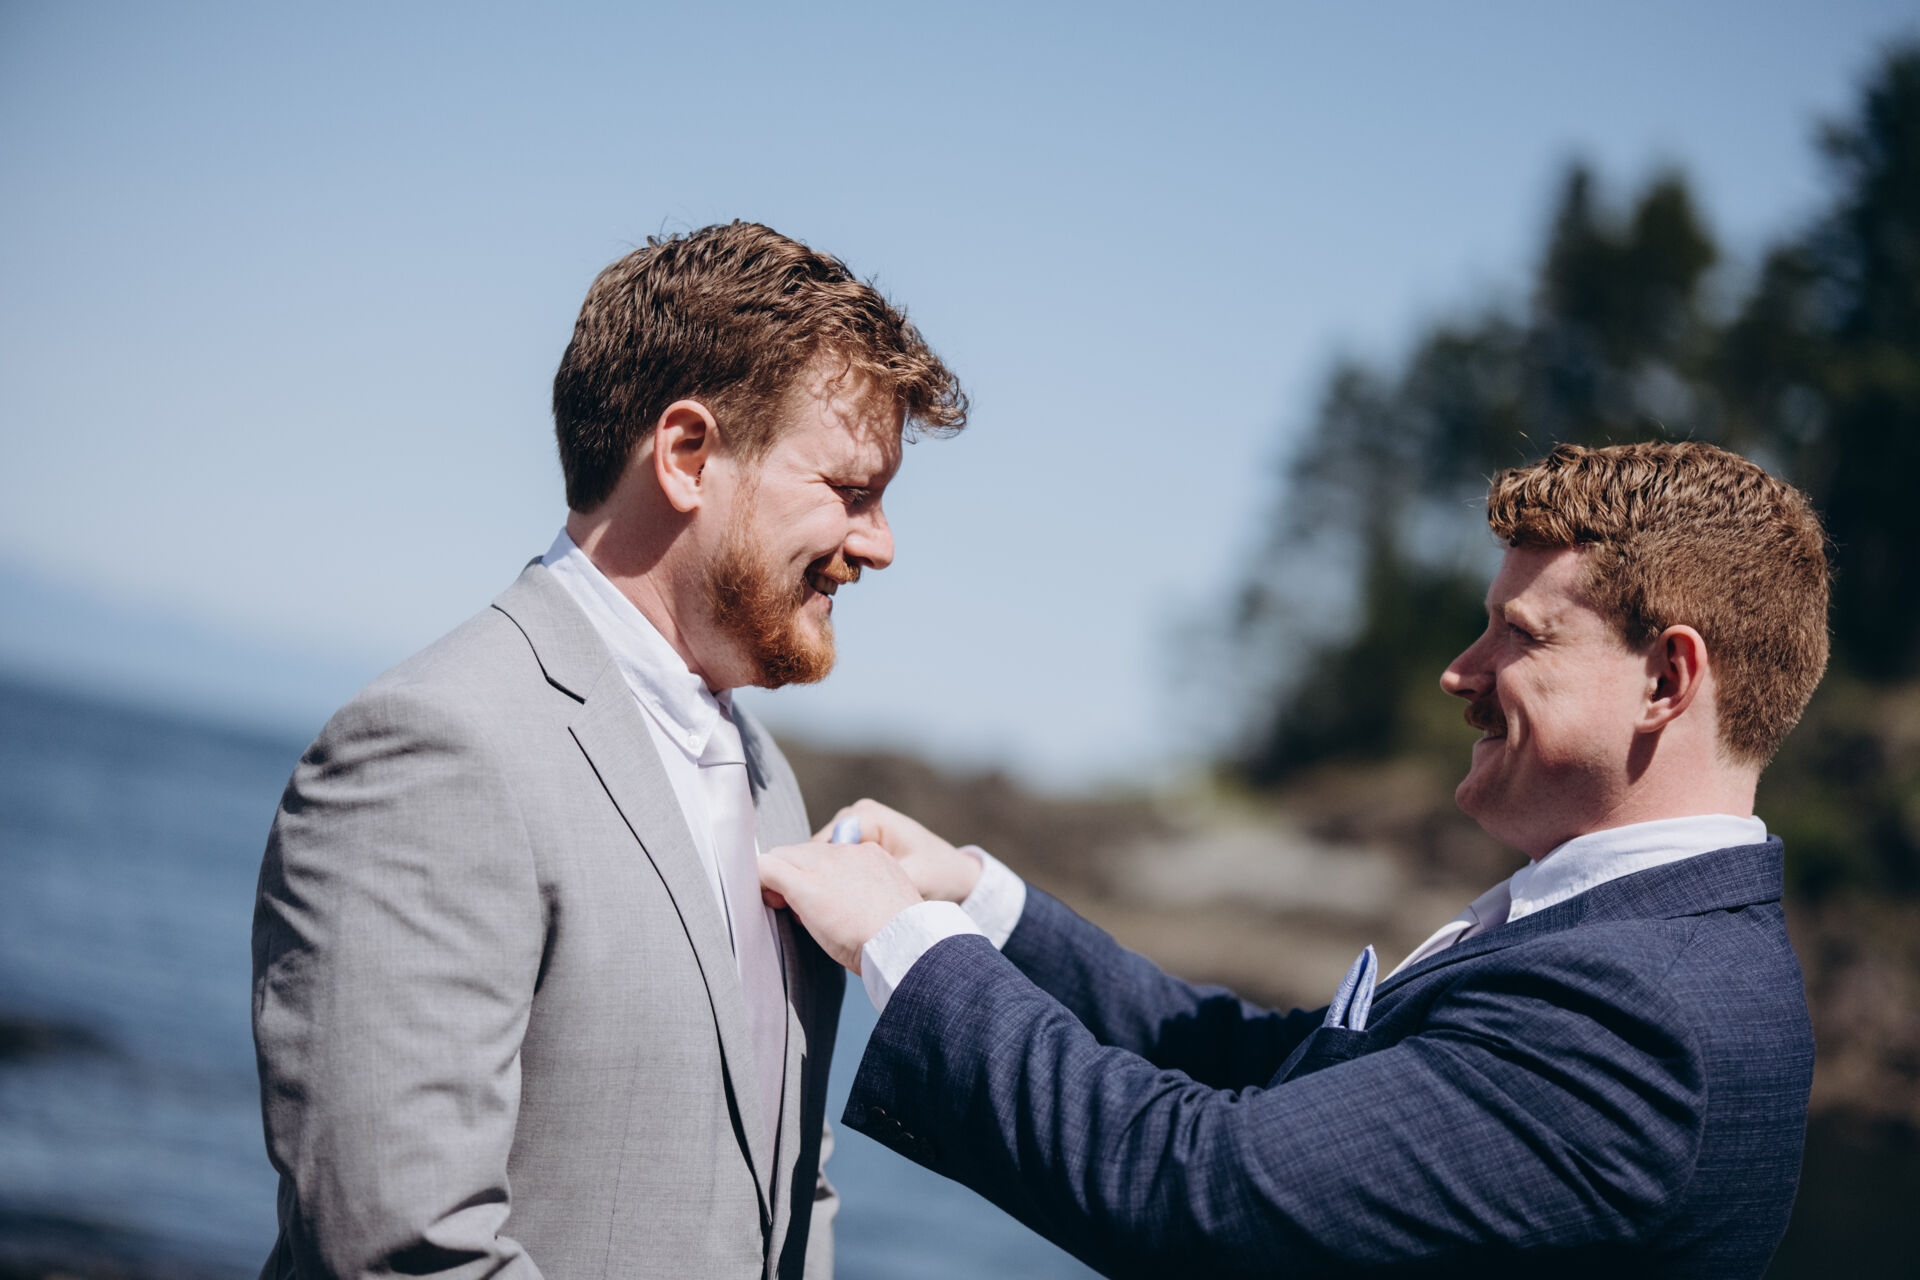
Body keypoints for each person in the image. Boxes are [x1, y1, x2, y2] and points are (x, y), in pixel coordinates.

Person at [761, 440, 1827, 1278]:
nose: (1462, 672)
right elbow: (1253, 1063)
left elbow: (1203, 1193)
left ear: (1665, 680)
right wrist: (982, 902)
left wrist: (905, 943)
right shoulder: (1635, 944)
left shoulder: (1640, 1018)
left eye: (1521, 633)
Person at [251, 221, 965, 1279]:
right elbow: (402, 1250)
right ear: (687, 455)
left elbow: (791, 1180)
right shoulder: (439, 750)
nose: (880, 543)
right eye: (850, 491)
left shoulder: (769, 780)